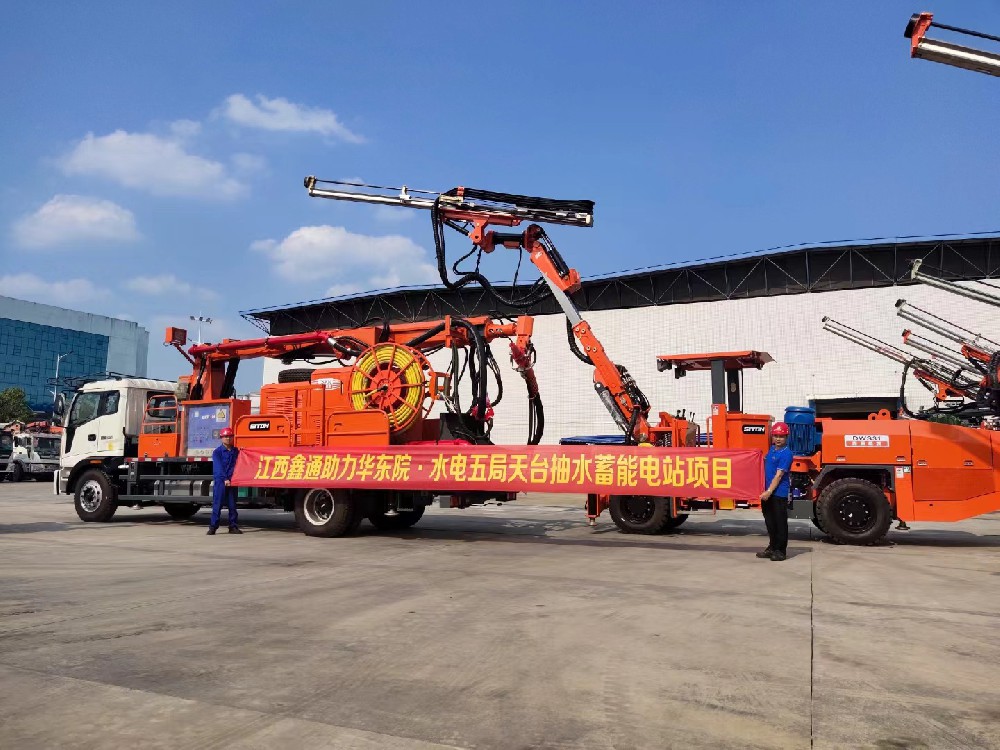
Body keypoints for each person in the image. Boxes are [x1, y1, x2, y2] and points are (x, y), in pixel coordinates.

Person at [757, 421, 793, 561]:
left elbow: (779, 475)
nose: (778, 439)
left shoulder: (786, 454)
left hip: (778, 493)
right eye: (776, 436)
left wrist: (769, 491)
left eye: (781, 436)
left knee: (780, 523)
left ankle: (780, 551)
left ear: (786, 437)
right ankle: (772, 547)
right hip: (767, 493)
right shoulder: (772, 449)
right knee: (770, 522)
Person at [209, 427, 241, 535]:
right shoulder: (217, 452)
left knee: (232, 505)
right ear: (221, 438)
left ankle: (233, 527)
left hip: (233, 481)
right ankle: (213, 527)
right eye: (226, 436)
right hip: (221, 481)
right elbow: (219, 468)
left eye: (230, 436)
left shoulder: (236, 451)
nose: (228, 438)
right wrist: (225, 479)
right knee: (217, 504)